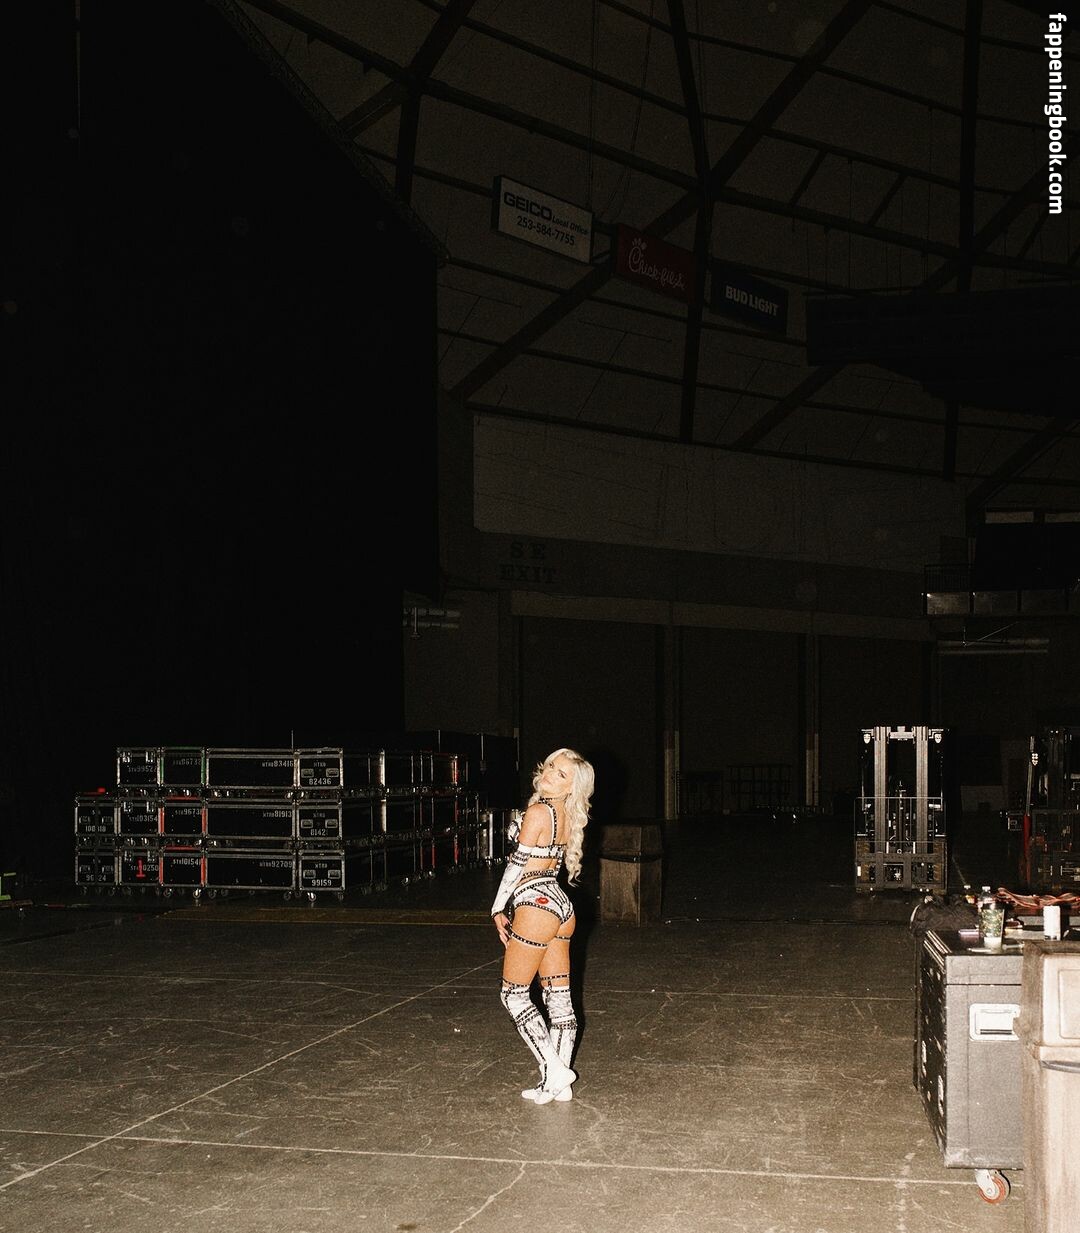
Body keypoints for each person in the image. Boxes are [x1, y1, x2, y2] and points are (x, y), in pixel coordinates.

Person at [491, 747, 594, 1104]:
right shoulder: (566, 814)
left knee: (514, 994)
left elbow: (516, 868)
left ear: (571, 787)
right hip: (561, 907)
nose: (549, 773)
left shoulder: (538, 812)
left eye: (560, 773)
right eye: (551, 766)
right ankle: (559, 1085)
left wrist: (497, 908)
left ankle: (553, 1068)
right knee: (559, 1000)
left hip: (536, 905)